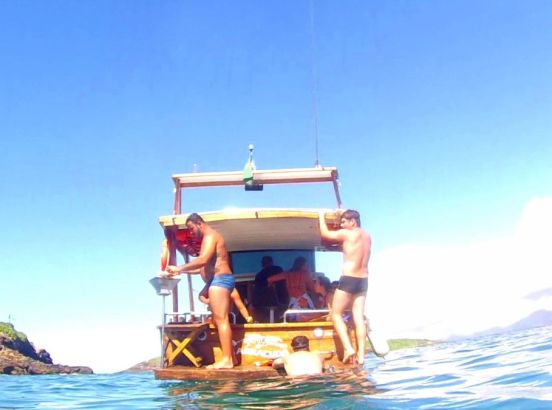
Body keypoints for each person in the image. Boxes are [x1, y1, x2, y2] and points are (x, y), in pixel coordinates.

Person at [165, 213, 235, 369]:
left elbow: (202, 260)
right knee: (218, 320)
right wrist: (179, 271)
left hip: (220, 280)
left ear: (199, 223)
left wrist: (179, 267)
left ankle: (227, 360)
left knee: (221, 319)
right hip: (216, 280)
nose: (191, 232)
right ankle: (231, 357)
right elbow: (203, 267)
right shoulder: (207, 239)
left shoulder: (211, 236)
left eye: (191, 228)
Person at [319, 209, 371, 365]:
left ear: (353, 221)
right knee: (358, 317)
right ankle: (361, 356)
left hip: (348, 278)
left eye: (343, 222)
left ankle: (348, 348)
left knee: (336, 314)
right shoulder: (367, 236)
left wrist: (321, 216)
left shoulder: (348, 233)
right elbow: (352, 250)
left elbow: (326, 235)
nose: (341, 225)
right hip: (363, 279)